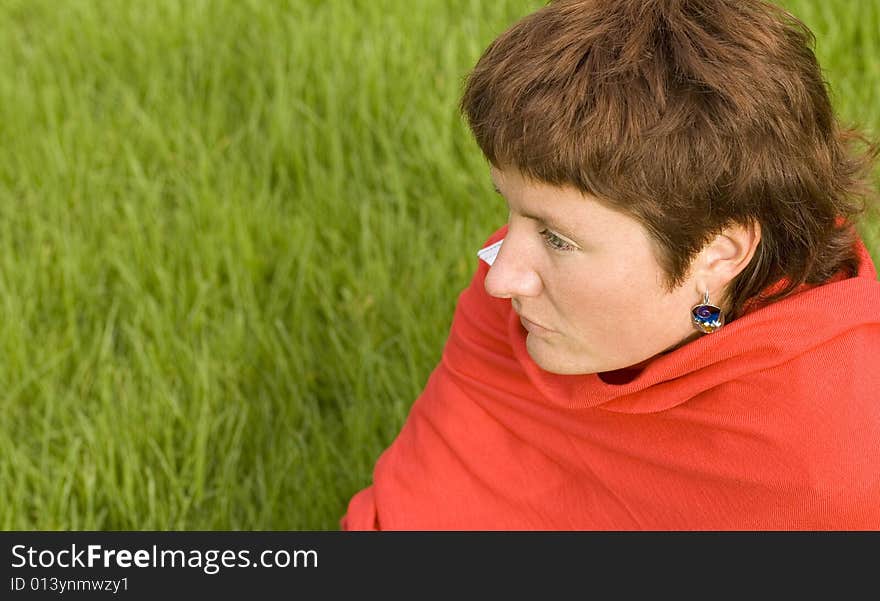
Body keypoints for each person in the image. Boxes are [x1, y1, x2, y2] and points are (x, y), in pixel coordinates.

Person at [341, 0, 880, 529]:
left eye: (557, 238)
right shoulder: (520, 298)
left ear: (719, 252)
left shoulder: (839, 467)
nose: (501, 275)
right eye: (513, 211)